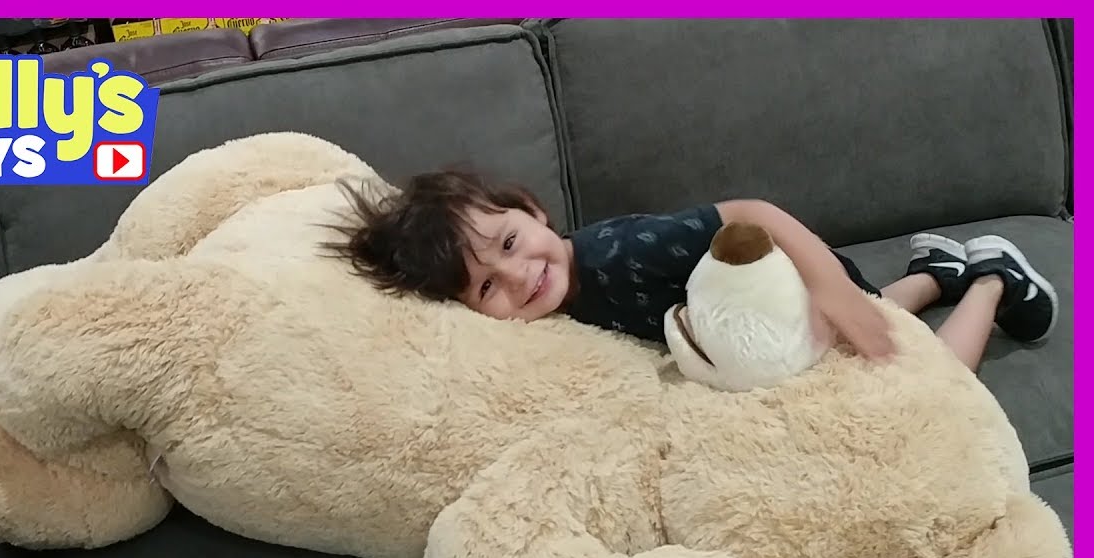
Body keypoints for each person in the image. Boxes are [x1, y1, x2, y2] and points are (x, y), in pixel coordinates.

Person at [326, 169, 1058, 373]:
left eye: (510, 243)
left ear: (532, 211)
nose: (519, 279)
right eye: (487, 286)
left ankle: (990, 277)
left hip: (790, 294)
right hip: (764, 338)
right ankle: (935, 270)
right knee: (877, 316)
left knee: (921, 371)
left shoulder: (620, 253)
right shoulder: (552, 318)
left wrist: (831, 288)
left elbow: (751, 211)